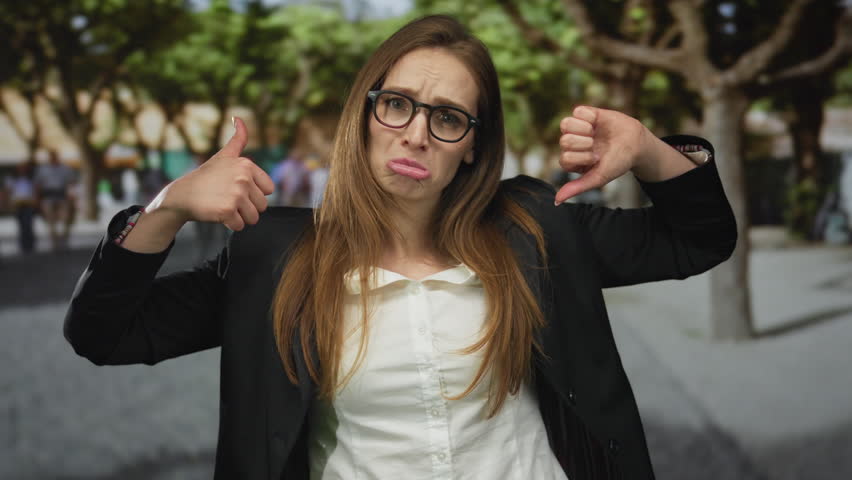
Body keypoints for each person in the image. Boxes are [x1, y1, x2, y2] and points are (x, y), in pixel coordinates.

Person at [64, 15, 736, 480]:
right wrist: (169, 205)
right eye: (398, 105)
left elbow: (697, 239)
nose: (416, 134)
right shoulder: (274, 256)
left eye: (446, 118)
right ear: (365, 112)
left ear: (472, 144)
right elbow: (104, 334)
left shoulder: (536, 226)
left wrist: (648, 149)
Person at [34, 151, 76, 251]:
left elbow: (71, 183)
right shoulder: (43, 169)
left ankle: (64, 240)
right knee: (50, 221)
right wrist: (37, 198)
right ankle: (55, 243)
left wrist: (72, 197)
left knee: (66, 219)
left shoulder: (65, 169)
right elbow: (38, 185)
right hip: (48, 196)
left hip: (62, 196)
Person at [4, 161, 38, 254]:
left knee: (28, 223)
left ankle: (30, 244)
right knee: (21, 224)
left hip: (28, 203)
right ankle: (23, 244)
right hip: (17, 204)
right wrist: (7, 203)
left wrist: (35, 201)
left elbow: (35, 190)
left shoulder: (31, 179)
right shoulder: (12, 179)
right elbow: (8, 192)